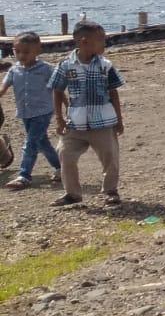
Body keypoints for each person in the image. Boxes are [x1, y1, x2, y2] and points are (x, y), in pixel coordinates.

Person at [48, 21, 126, 206]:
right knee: (65, 154)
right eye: (100, 40)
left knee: (110, 157)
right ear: (84, 41)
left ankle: (111, 190)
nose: (104, 43)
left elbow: (113, 92)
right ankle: (72, 193)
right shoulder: (66, 65)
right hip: (75, 123)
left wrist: (119, 119)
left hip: (103, 122)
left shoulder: (105, 65)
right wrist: (59, 118)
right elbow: (57, 90)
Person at [1, 32, 63, 190]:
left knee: (30, 143)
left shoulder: (46, 69)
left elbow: (58, 88)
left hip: (42, 112)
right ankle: (60, 167)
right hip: (25, 112)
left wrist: (66, 106)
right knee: (42, 143)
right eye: (17, 51)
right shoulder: (14, 70)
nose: (21, 55)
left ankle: (24, 176)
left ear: (38, 51)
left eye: (26, 52)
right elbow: (3, 88)